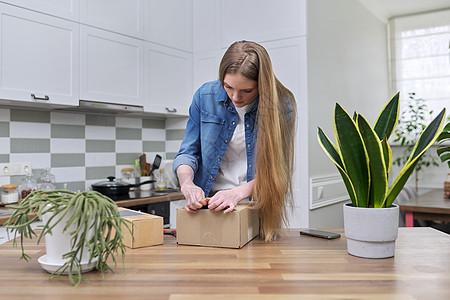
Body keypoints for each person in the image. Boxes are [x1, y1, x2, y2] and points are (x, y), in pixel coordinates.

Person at [173, 40, 297, 242]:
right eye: (228, 87)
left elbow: (277, 170)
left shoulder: (282, 104)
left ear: (262, 84)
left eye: (247, 91)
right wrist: (187, 183)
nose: (236, 97)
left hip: (256, 207)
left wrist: (236, 193)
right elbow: (188, 153)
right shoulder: (204, 97)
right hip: (209, 205)